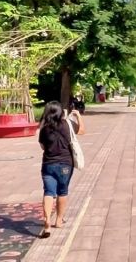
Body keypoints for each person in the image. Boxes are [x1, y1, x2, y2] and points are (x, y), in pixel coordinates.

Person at [37, 101, 84, 237]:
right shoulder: (67, 124)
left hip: (48, 165)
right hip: (65, 165)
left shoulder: (44, 128)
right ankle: (58, 220)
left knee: (48, 192)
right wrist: (78, 116)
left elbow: (43, 147)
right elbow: (82, 131)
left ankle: (47, 223)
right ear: (60, 112)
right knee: (62, 192)